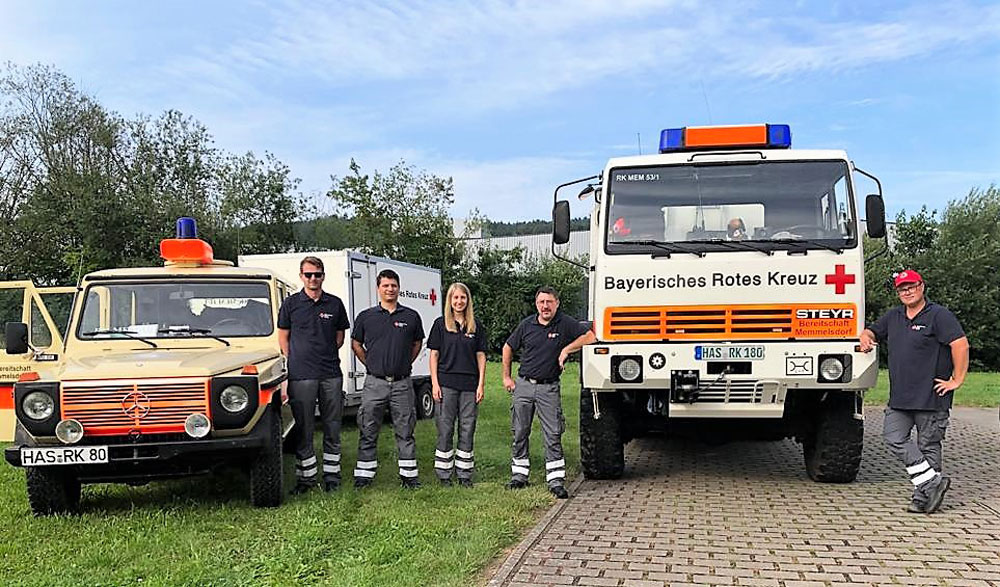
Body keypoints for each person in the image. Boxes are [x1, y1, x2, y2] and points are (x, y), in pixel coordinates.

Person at [859, 269, 969, 514]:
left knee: (929, 445)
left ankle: (924, 498)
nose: (907, 291)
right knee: (893, 437)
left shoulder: (939, 315)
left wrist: (957, 379)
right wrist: (865, 337)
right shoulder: (894, 316)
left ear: (921, 286)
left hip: (931, 396)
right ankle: (932, 482)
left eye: (911, 286)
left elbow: (960, 344)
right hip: (900, 398)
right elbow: (872, 331)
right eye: (902, 288)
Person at [502, 286, 596, 499]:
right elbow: (508, 347)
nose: (545, 306)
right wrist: (507, 377)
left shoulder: (565, 323)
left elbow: (590, 337)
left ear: (557, 303)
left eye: (549, 302)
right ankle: (519, 475)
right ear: (537, 304)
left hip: (549, 388)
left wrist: (566, 350)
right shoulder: (527, 325)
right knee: (519, 431)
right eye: (541, 302)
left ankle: (555, 480)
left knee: (553, 433)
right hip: (524, 386)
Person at [277, 256, 351, 494]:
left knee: (332, 426)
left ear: (323, 276)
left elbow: (339, 338)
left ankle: (332, 476)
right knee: (304, 428)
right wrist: (297, 358)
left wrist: (323, 352)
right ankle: (306, 478)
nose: (312, 279)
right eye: (308, 274)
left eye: (317, 274)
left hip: (330, 373)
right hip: (301, 376)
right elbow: (283, 338)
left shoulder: (335, 304)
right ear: (301, 277)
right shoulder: (291, 304)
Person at [351, 269, 425, 489]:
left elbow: (417, 344)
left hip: (402, 383)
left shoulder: (411, 316)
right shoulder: (366, 317)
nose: (390, 289)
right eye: (385, 285)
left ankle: (409, 476)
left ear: (398, 288)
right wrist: (371, 364)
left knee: (405, 429)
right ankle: (364, 476)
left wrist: (403, 364)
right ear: (378, 289)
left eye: (393, 285)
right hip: (375, 383)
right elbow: (356, 343)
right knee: (368, 427)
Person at [428, 282, 487, 488]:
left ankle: (464, 473)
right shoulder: (440, 324)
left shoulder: (475, 326)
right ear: (450, 301)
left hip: (470, 385)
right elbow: (433, 355)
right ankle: (444, 474)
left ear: (467, 300)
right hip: (446, 384)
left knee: (467, 428)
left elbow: (481, 356)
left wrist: (481, 384)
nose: (459, 301)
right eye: (455, 298)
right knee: (445, 428)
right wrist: (434, 383)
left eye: (463, 298)